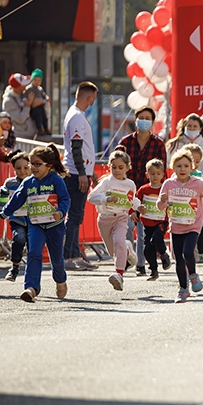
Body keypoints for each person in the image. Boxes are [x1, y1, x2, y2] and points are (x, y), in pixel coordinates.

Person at [0, 144, 71, 303]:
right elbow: (16, 199)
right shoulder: (28, 182)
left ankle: (60, 280)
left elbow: (65, 199)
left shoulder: (56, 180)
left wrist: (60, 212)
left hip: (55, 226)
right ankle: (31, 288)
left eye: (38, 164)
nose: (33, 167)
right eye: (32, 163)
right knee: (33, 254)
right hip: (36, 225)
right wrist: (4, 213)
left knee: (57, 259)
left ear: (48, 165)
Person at [157, 148, 203, 303]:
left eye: (185, 166)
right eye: (178, 166)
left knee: (188, 252)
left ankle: (193, 275)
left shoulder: (197, 184)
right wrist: (162, 201)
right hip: (176, 227)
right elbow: (160, 207)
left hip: (193, 226)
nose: (182, 169)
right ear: (173, 167)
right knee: (178, 259)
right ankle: (183, 289)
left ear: (192, 168)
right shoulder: (168, 184)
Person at [118, 106, 166, 274]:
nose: (144, 120)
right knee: (127, 226)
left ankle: (141, 264)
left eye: (147, 118)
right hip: (127, 190)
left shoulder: (158, 144)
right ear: (136, 119)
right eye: (141, 117)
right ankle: (127, 258)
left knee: (143, 230)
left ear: (152, 122)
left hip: (149, 192)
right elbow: (116, 162)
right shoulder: (124, 142)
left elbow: (163, 170)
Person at [87, 150, 141, 291]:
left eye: (120, 167)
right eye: (114, 167)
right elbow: (91, 197)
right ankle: (128, 250)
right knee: (112, 251)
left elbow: (132, 199)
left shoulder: (130, 184)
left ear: (127, 168)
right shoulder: (107, 182)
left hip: (121, 218)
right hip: (104, 219)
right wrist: (105, 199)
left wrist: (138, 206)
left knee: (118, 243)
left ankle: (119, 274)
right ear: (109, 166)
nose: (117, 170)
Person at [62, 82, 99, 272]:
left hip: (79, 172)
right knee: (74, 216)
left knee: (76, 216)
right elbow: (76, 148)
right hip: (75, 174)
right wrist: (83, 174)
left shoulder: (76, 114)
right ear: (89, 98)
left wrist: (90, 171)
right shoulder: (76, 117)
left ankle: (74, 254)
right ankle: (68, 256)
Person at [0, 151, 32, 282]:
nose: (22, 171)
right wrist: (0, 211)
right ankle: (15, 267)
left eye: (26, 167)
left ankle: (31, 273)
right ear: (14, 169)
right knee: (19, 239)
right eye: (18, 168)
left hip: (34, 221)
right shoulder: (10, 183)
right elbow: (3, 196)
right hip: (17, 219)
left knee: (32, 247)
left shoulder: (35, 181)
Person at [135, 158, 172, 280]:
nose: (155, 176)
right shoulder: (143, 189)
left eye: (158, 173)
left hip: (161, 221)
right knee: (147, 249)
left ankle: (163, 255)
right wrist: (137, 209)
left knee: (156, 238)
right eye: (152, 173)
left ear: (163, 174)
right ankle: (154, 270)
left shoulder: (165, 189)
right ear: (147, 174)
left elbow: (172, 203)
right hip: (147, 222)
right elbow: (135, 202)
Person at [166, 113, 203, 182]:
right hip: (179, 182)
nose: (192, 128)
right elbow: (168, 163)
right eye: (189, 126)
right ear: (184, 127)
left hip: (201, 181)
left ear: (200, 129)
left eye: (195, 126)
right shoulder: (175, 144)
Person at [1, 74, 38, 140]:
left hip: (32, 134)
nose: (26, 86)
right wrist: (27, 105)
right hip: (20, 136)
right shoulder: (8, 101)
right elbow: (20, 119)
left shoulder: (24, 94)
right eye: (23, 84)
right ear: (17, 87)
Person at [25, 68, 51, 136]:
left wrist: (46, 98)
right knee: (38, 116)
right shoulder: (29, 88)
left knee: (44, 117)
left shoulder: (40, 89)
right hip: (34, 108)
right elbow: (24, 96)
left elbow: (44, 95)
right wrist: (26, 101)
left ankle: (46, 128)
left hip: (40, 106)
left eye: (39, 80)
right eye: (35, 80)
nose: (37, 82)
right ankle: (39, 129)